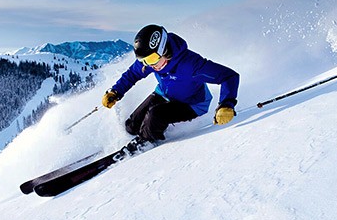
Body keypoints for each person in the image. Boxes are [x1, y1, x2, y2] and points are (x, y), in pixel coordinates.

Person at [102, 24, 240, 143]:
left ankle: (146, 142)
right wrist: (116, 92)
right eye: (145, 61)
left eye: (152, 59)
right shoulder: (151, 61)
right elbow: (132, 74)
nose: (150, 65)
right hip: (164, 94)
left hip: (191, 104)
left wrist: (226, 104)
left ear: (164, 49)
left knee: (156, 115)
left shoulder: (191, 64)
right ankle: (138, 133)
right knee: (132, 126)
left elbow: (229, 76)